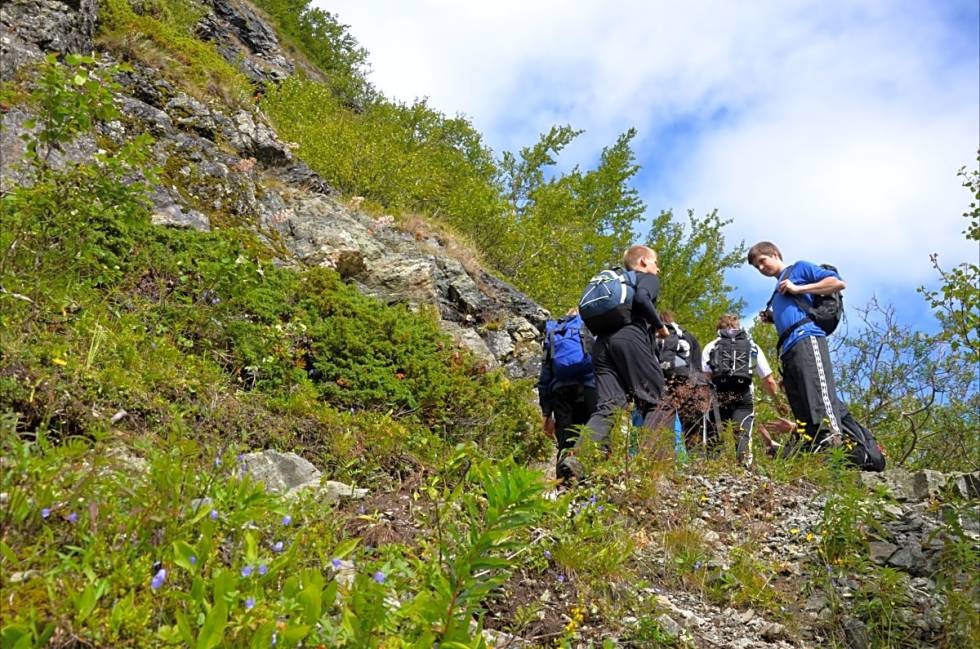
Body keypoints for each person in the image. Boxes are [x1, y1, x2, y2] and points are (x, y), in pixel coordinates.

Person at [747, 241, 885, 471]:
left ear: (774, 254)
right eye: (756, 267)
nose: (761, 268)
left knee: (819, 397)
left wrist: (798, 289)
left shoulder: (799, 269)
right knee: (802, 404)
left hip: (807, 338)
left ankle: (836, 445)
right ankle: (816, 452)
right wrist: (773, 317)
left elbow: (837, 283)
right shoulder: (777, 291)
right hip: (788, 348)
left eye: (762, 261)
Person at [562, 245, 670, 478]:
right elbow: (642, 298)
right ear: (642, 262)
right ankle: (648, 467)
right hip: (630, 337)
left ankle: (578, 459)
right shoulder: (646, 277)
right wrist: (660, 327)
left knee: (609, 405)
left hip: (601, 346)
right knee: (658, 401)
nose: (657, 268)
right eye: (655, 262)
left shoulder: (616, 283)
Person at [702, 313, 782, 466]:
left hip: (718, 394)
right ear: (738, 328)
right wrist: (778, 403)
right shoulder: (752, 346)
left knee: (714, 435)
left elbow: (705, 378)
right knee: (743, 434)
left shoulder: (711, 346)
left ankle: (712, 469)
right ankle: (744, 469)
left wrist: (704, 404)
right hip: (744, 394)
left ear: (718, 328)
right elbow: (769, 380)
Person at [537, 309, 597, 483]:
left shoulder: (554, 331)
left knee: (565, 442)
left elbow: (545, 375)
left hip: (560, 391)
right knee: (591, 438)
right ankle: (590, 487)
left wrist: (546, 414)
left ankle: (563, 487)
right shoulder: (590, 327)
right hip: (588, 387)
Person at [655, 311, 715, 453]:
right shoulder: (687, 335)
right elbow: (697, 367)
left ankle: (664, 461)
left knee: (663, 422)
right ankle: (697, 462)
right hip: (689, 383)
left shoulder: (653, 333)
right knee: (692, 426)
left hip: (662, 383)